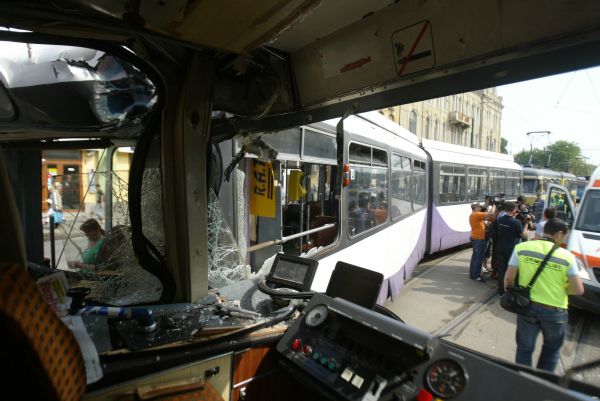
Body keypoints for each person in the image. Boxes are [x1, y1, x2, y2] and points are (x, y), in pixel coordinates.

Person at [504, 218, 584, 372]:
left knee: (524, 349)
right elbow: (579, 289)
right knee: (551, 351)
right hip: (555, 311)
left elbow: (508, 279)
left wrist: (511, 292)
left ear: (544, 230)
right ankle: (542, 384)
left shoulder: (522, 248)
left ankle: (523, 382)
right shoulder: (567, 256)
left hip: (526, 307)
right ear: (560, 234)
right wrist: (563, 290)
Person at [495, 201, 529, 294]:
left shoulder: (500, 219)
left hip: (500, 247)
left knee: (502, 269)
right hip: (512, 250)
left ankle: (501, 290)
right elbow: (524, 236)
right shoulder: (516, 222)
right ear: (514, 210)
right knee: (511, 270)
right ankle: (509, 290)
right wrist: (526, 224)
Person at [469, 200, 496, 282]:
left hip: (477, 238)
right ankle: (476, 275)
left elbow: (487, 222)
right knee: (478, 258)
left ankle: (473, 274)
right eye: (479, 207)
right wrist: (494, 205)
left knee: (476, 257)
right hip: (478, 239)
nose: (480, 208)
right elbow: (490, 214)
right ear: (475, 208)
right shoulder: (476, 214)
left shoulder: (477, 216)